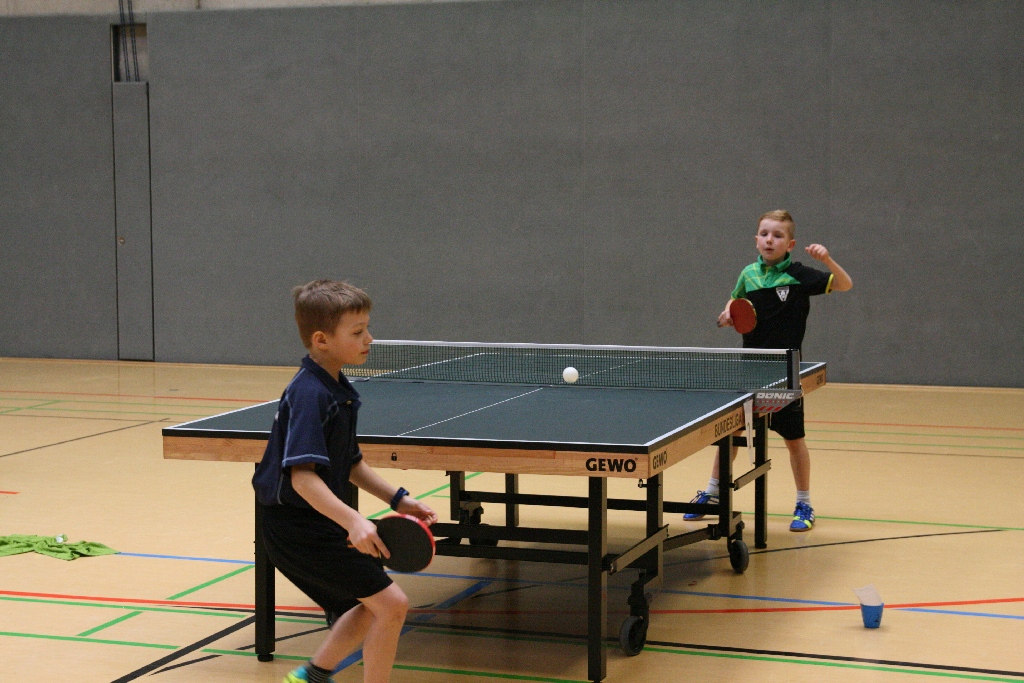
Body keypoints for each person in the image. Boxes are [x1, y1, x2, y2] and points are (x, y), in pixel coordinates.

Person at [252, 279, 437, 683]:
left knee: (372, 605)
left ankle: (311, 677)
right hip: (295, 527)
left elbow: (350, 462)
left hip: (317, 521)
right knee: (392, 605)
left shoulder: (337, 389)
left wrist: (397, 499)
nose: (369, 339)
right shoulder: (310, 394)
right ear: (321, 340)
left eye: (367, 328)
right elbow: (302, 478)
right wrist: (353, 520)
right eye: (357, 332)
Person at [684, 210, 852, 532]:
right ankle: (713, 493)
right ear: (756, 240)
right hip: (750, 371)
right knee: (731, 435)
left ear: (790, 244)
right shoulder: (748, 274)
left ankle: (804, 502)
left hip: (785, 373)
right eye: (764, 234)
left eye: (777, 235)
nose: (769, 240)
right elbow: (734, 303)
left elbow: (845, 284)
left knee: (794, 439)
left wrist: (827, 260)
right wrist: (726, 315)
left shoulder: (800, 275)